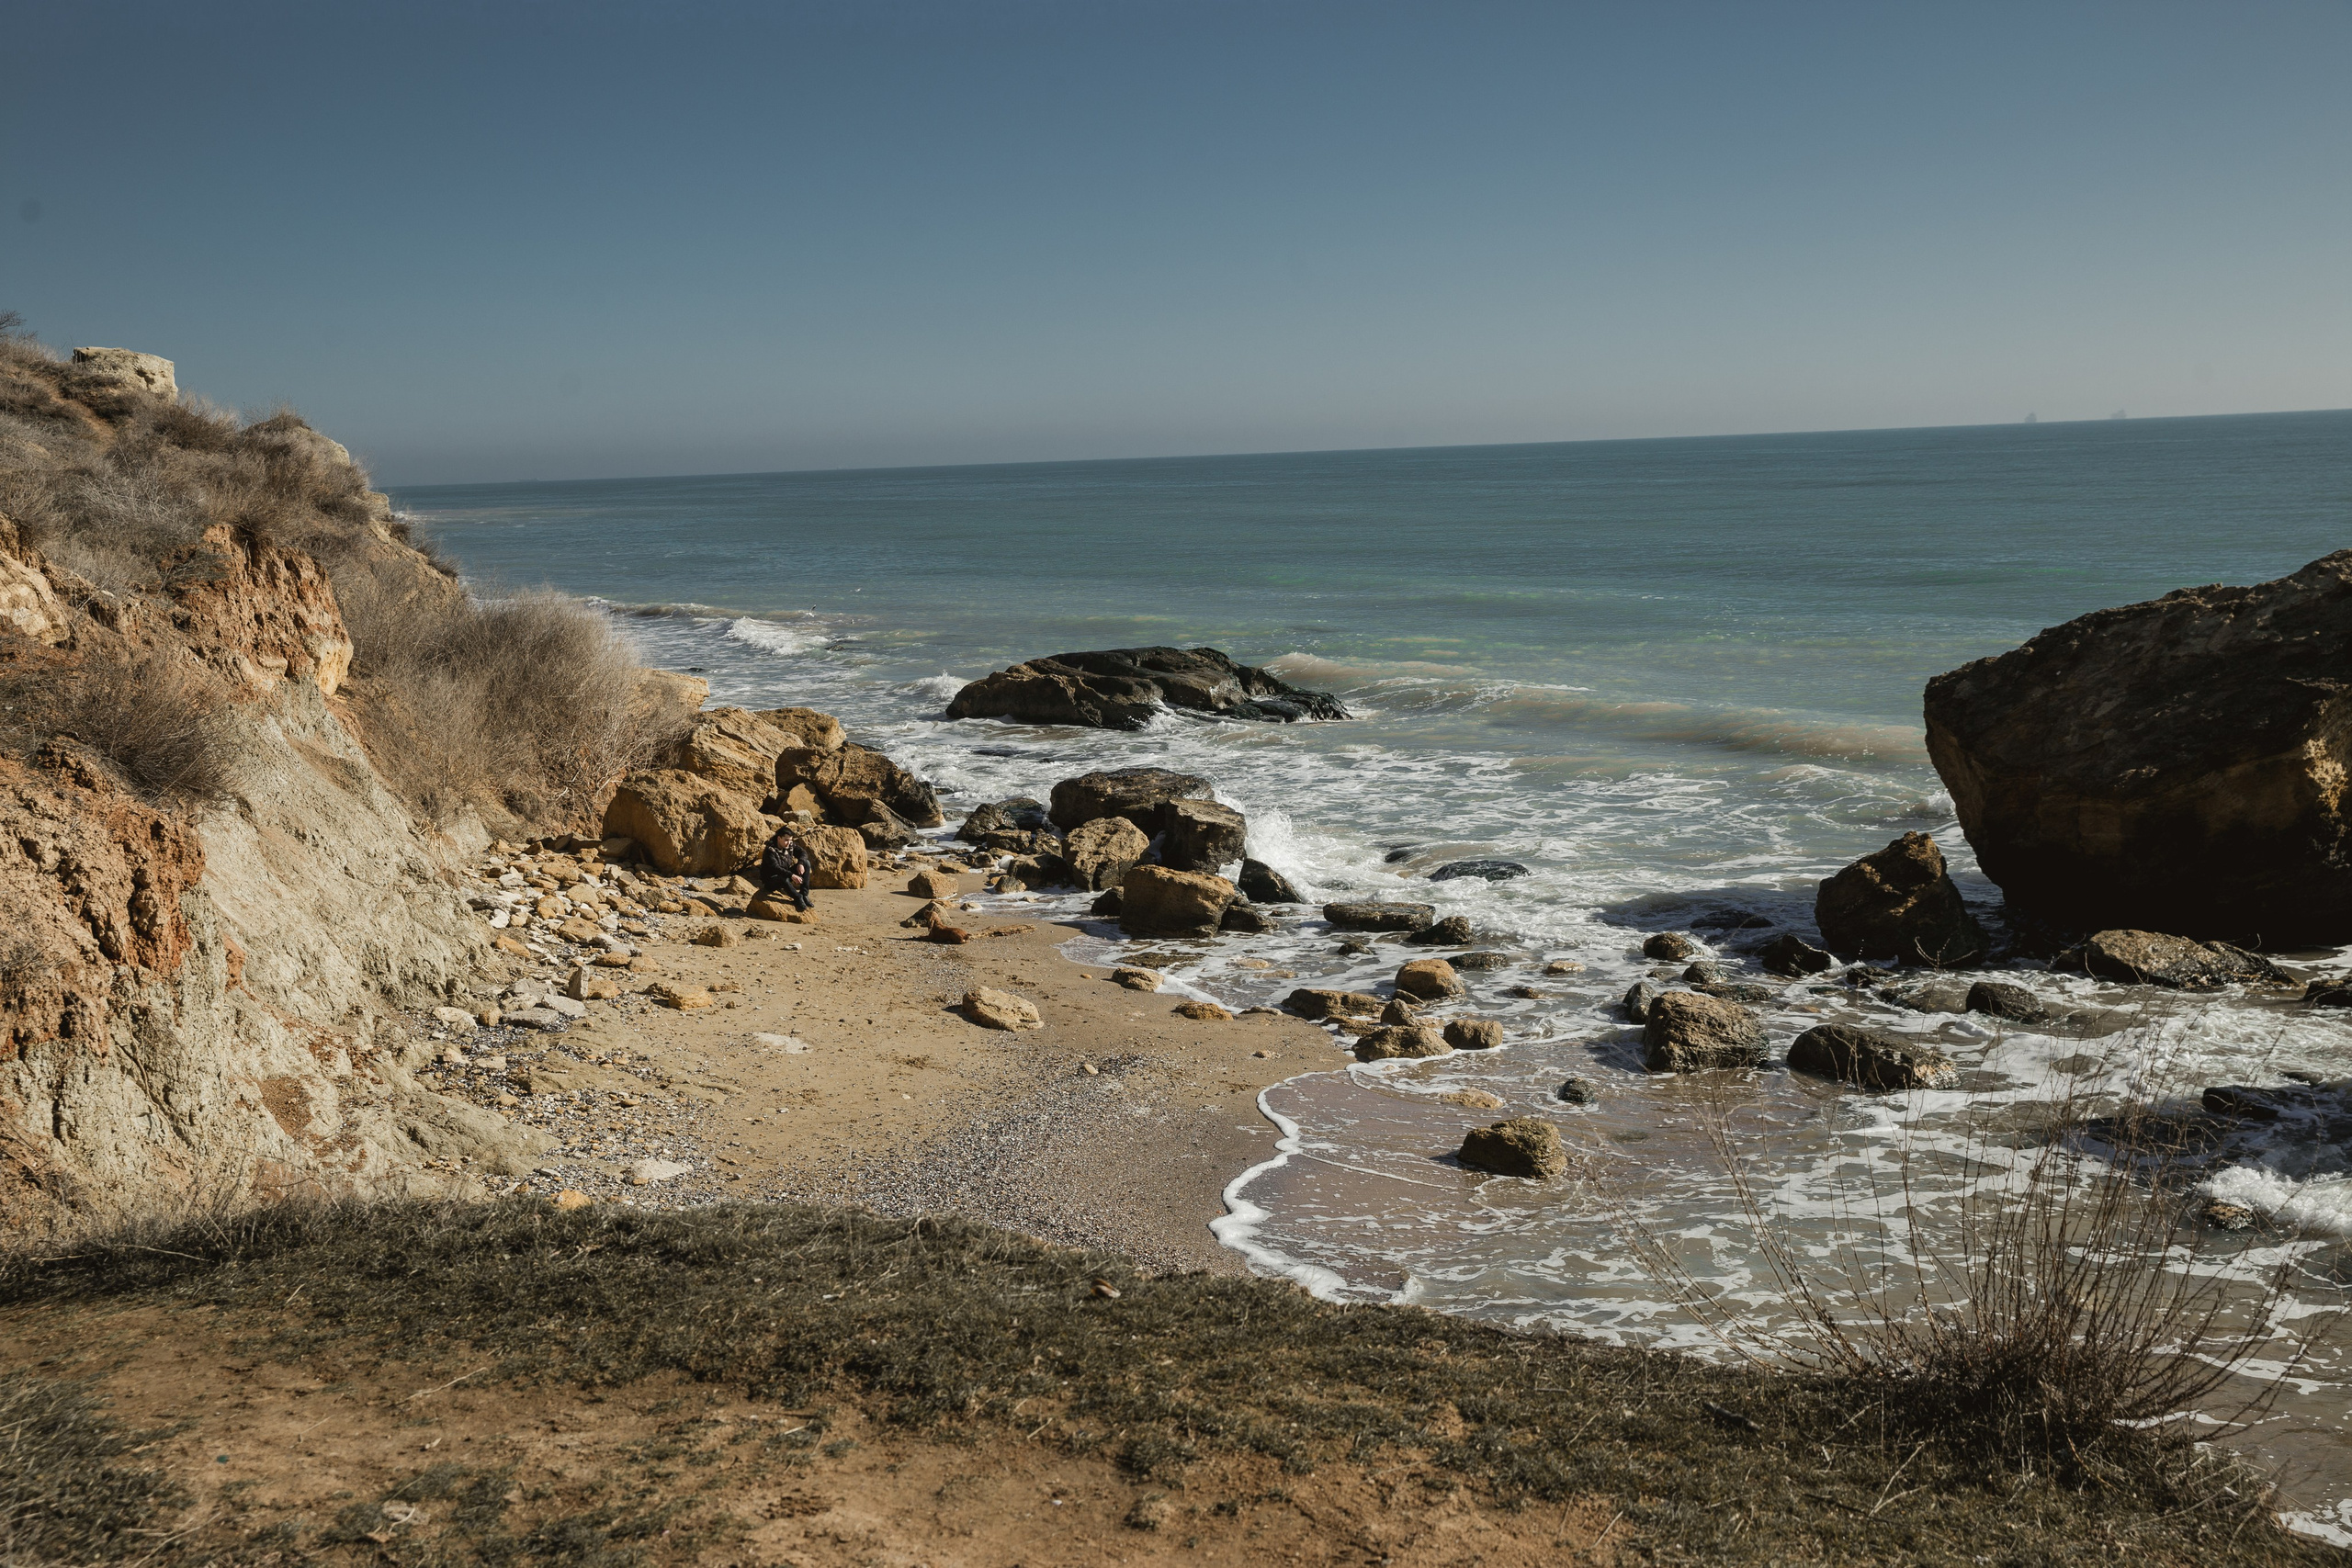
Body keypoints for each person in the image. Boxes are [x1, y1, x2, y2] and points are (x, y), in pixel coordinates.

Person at [751, 827, 814, 911]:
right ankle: (798, 897)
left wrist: (801, 863)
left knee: (806, 863)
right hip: (772, 880)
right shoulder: (770, 850)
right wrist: (792, 875)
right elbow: (775, 868)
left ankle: (804, 895)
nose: (789, 843)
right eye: (786, 840)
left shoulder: (790, 845)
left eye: (790, 840)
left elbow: (803, 853)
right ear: (779, 838)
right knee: (782, 877)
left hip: (785, 874)